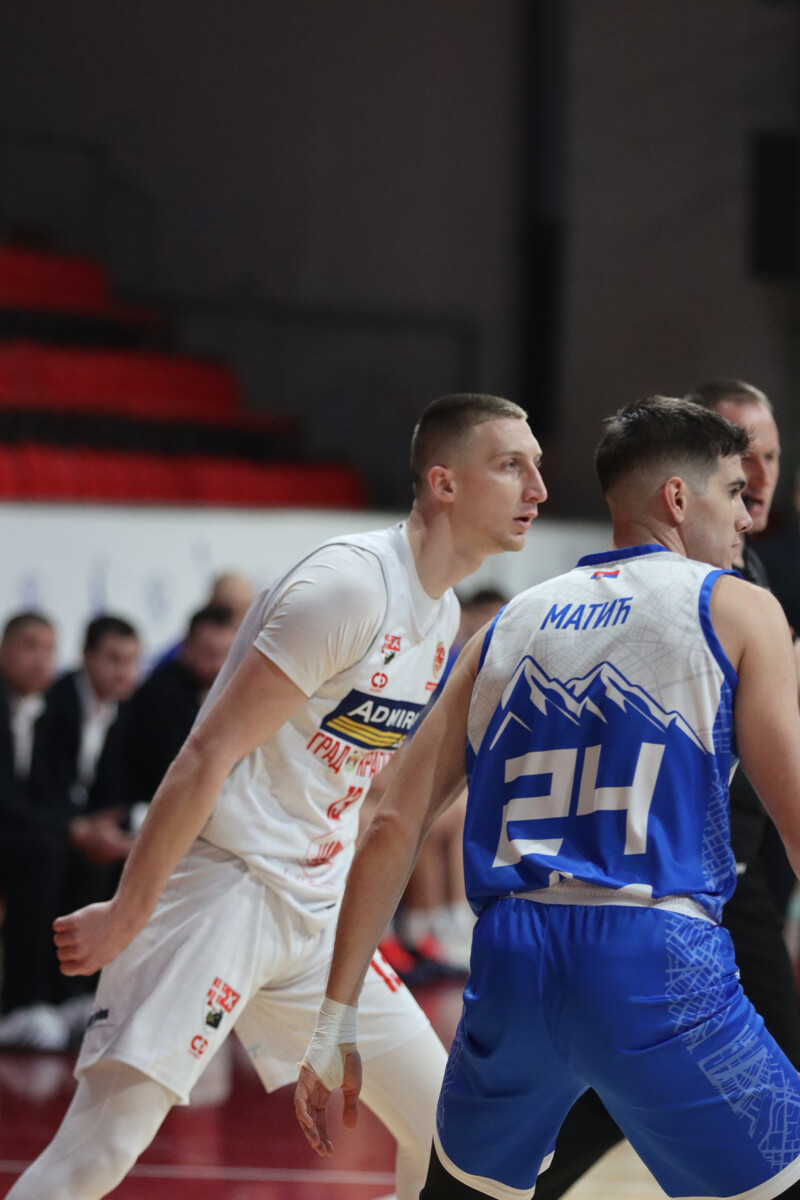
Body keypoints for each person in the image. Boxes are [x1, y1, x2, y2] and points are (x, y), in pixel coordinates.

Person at [7, 392, 546, 1200]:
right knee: (97, 1151)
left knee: (452, 1132)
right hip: (221, 890)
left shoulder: (438, 622)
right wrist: (129, 908)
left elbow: (357, 794)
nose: (538, 487)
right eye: (511, 466)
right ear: (444, 482)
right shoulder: (350, 586)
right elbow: (206, 753)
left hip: (311, 910)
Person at [296, 395, 800, 1200]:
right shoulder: (739, 605)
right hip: (654, 956)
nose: (746, 517)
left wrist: (335, 1021)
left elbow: (392, 822)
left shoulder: (506, 625)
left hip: (513, 962)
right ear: (678, 498)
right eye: (735, 492)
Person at [0, 611, 63, 1049]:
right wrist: (71, 827)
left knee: (74, 853)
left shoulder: (44, 710)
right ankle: (18, 1004)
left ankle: (65, 996)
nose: (41, 660)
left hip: (17, 833)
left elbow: (49, 790)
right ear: (5, 650)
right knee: (44, 852)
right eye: (30, 647)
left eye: (49, 650)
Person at [121, 603, 236, 830]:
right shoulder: (161, 693)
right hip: (144, 808)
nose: (218, 665)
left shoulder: (225, 693)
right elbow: (172, 769)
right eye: (209, 653)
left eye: (226, 655)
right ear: (186, 648)